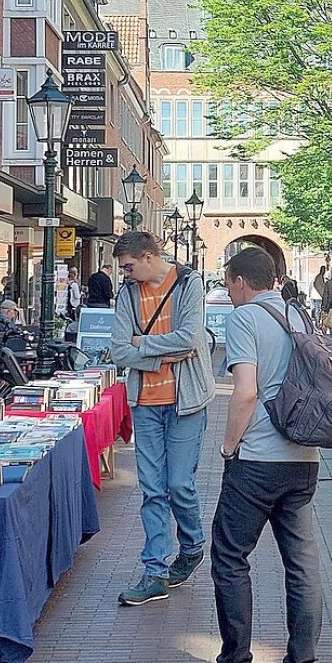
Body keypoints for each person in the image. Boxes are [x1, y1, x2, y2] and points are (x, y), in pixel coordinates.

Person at [175, 247, 322, 663]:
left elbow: (245, 392)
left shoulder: (245, 319)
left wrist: (228, 445)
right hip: (304, 459)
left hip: (258, 458)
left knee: (231, 557)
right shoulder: (300, 317)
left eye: (228, 282)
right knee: (301, 566)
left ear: (240, 281)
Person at [110, 231, 216, 607]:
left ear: (149, 257)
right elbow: (118, 349)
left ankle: (191, 545)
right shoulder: (127, 294)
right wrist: (158, 355)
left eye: (128, 266)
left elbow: (189, 339)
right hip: (146, 403)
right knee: (152, 489)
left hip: (185, 401)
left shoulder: (188, 283)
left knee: (179, 484)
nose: (123, 273)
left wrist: (143, 344)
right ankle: (153, 571)